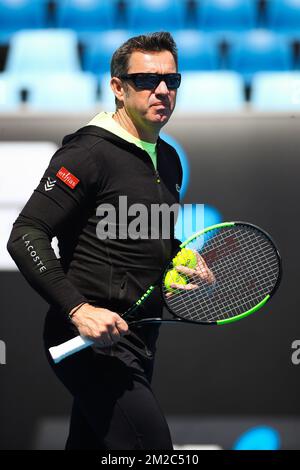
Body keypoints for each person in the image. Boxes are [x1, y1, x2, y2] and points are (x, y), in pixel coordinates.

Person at [7, 32, 185, 450]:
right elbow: (26, 234)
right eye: (145, 80)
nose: (161, 90)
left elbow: (148, 239)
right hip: (88, 340)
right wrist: (79, 308)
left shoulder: (169, 159)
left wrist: (179, 263)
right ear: (118, 88)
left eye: (171, 81)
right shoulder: (87, 154)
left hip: (138, 339)